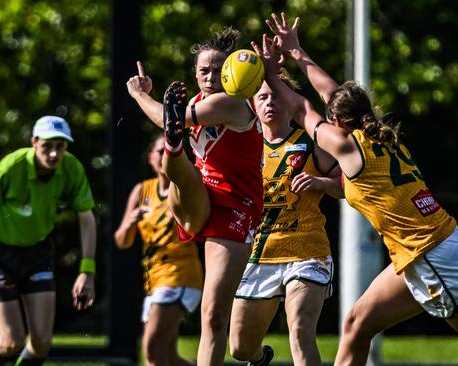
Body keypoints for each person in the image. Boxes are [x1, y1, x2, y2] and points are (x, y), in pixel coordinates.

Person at [253, 13, 458, 366]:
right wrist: (297, 53)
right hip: (422, 253)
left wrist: (271, 74)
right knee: (356, 323)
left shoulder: (350, 148)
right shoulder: (374, 133)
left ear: (337, 121)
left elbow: (304, 107)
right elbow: (330, 93)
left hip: (435, 257)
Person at [126, 27, 263, 366]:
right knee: (180, 169)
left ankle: (174, 147)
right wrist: (167, 115)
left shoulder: (229, 102)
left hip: (235, 208)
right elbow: (170, 117)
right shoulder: (198, 102)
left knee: (214, 314)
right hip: (198, 197)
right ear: (195, 73)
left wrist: (139, 95)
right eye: (203, 70)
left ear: (231, 71)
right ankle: (173, 148)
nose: (210, 76)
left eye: (218, 70)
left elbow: (165, 115)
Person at [0, 115, 97, 366]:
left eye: (60, 146)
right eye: (47, 146)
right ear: (34, 142)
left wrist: (87, 271)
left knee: (41, 343)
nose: (53, 154)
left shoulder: (71, 169)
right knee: (11, 341)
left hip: (38, 254)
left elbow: (87, 218)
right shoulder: (13, 166)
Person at [228, 74, 342, 366]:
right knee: (240, 349)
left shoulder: (310, 141)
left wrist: (322, 183)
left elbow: (347, 183)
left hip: (306, 249)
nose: (270, 102)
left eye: (277, 95)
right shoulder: (243, 147)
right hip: (259, 254)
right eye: (263, 97)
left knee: (300, 330)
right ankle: (261, 358)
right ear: (252, 104)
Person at [114, 134, 203, 366]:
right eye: (159, 152)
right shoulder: (142, 190)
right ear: (150, 158)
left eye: (169, 151)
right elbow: (122, 241)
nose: (165, 156)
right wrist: (130, 222)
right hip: (153, 278)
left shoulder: (184, 187)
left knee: (152, 350)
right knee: (168, 357)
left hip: (179, 274)